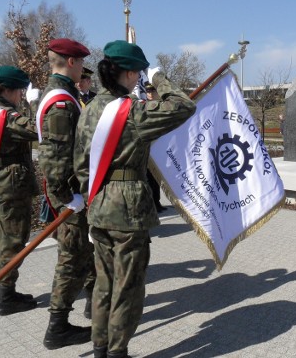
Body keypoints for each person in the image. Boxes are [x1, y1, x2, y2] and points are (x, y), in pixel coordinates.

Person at [74, 40, 196, 358]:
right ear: (128, 74)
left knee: (103, 283)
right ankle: (118, 351)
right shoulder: (132, 113)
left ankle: (100, 348)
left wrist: (93, 201)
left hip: (99, 205)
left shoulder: (89, 110)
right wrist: (159, 78)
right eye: (139, 74)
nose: (140, 79)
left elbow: (80, 165)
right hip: (127, 209)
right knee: (127, 286)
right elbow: (183, 106)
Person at [36, 37, 95, 350]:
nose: (83, 67)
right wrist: (68, 196)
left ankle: (90, 308)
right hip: (71, 197)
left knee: (84, 256)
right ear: (71, 62)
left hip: (74, 194)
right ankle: (57, 327)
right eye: (82, 62)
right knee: (71, 259)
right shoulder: (61, 101)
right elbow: (56, 159)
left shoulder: (64, 94)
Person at [0, 66, 38, 316]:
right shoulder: (6, 116)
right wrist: (35, 105)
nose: (22, 96)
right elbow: (37, 129)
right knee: (13, 240)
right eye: (21, 91)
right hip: (11, 186)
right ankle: (6, 296)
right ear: (9, 90)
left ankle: (5, 289)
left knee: (1, 240)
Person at [143, 82, 166, 213]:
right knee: (149, 177)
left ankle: (157, 201)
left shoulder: (163, 105)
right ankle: (151, 203)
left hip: (160, 145)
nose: (150, 94)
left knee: (157, 177)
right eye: (148, 91)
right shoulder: (143, 106)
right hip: (149, 146)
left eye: (153, 91)